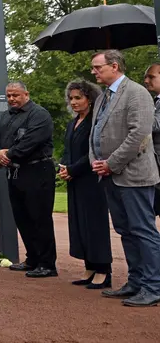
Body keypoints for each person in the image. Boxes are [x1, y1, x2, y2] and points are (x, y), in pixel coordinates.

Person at [90, 50, 160, 307]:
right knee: (126, 231)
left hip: (134, 176)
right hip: (109, 175)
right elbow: (95, 133)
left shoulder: (137, 93)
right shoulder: (101, 98)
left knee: (143, 231)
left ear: (114, 66)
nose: (93, 72)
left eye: (97, 67)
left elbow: (140, 135)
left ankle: (154, 287)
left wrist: (111, 163)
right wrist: (95, 161)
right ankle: (136, 281)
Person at [0, 81, 57, 278]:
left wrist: (6, 155)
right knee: (22, 217)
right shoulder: (7, 116)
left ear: (26, 94)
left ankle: (47, 264)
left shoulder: (39, 114)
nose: (12, 99)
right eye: (9, 96)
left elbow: (31, 142)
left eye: (16, 95)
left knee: (39, 218)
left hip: (38, 170)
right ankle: (33, 258)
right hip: (16, 172)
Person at [58, 80, 112, 289]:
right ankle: (89, 266)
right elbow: (67, 149)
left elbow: (93, 152)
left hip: (92, 180)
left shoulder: (95, 122)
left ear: (89, 99)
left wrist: (73, 169)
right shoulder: (73, 123)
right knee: (79, 224)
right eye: (71, 98)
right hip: (75, 180)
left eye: (78, 97)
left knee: (95, 225)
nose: (73, 102)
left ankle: (103, 270)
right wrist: (64, 167)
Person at [143, 63, 160, 216]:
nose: (146, 80)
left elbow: (155, 125)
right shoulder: (155, 101)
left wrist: (138, 111)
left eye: (151, 77)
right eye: (145, 77)